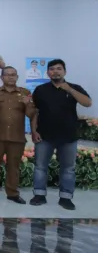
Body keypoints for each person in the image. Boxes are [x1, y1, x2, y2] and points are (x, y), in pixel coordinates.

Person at [30, 59, 92, 210]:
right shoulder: (40, 89)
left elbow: (87, 103)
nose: (55, 72)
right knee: (40, 167)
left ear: (65, 71)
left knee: (68, 168)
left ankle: (65, 198)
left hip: (68, 136)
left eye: (59, 69)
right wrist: (33, 131)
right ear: (47, 73)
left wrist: (69, 90)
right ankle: (39, 195)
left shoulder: (75, 88)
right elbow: (35, 112)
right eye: (52, 69)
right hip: (44, 135)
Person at [0, 66, 35, 204]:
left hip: (16, 136)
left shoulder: (25, 93)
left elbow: (31, 114)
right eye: (7, 74)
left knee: (14, 166)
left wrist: (28, 104)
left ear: (17, 77)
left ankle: (12, 193)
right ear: (1, 77)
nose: (11, 77)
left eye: (13, 74)